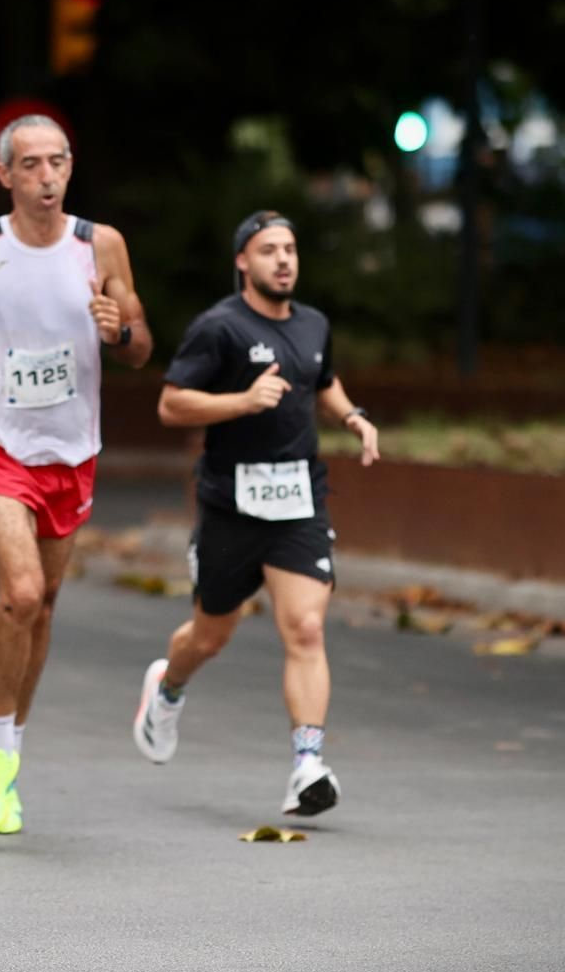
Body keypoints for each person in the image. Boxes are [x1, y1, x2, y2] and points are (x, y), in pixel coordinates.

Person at [0, 114, 152, 834]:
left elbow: (141, 348)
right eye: (30, 164)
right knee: (20, 593)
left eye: (57, 161)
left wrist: (116, 326)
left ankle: (4, 752)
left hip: (71, 447)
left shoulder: (101, 245)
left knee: (47, 600)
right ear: (5, 175)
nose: (47, 176)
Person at [132, 210, 379, 818]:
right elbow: (171, 405)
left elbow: (322, 379)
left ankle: (307, 765)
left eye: (291, 249)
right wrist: (243, 400)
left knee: (306, 628)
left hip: (299, 499)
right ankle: (167, 691)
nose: (284, 260)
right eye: (270, 250)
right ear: (244, 261)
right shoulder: (219, 328)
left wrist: (351, 416)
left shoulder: (314, 323)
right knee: (210, 635)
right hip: (230, 504)